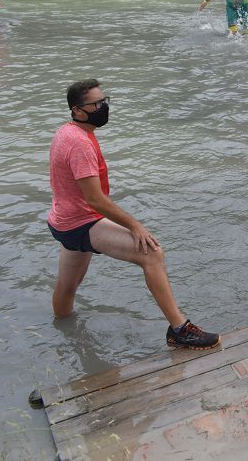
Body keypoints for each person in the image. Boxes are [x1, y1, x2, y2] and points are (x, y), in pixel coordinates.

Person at [47, 79, 220, 349]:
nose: (104, 107)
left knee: (68, 287)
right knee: (151, 253)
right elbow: (95, 199)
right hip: (81, 221)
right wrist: (135, 225)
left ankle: (62, 336)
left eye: (105, 101)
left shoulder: (66, 132)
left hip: (63, 219)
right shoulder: (79, 143)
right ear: (78, 110)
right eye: (97, 104)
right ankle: (179, 329)